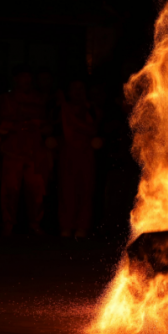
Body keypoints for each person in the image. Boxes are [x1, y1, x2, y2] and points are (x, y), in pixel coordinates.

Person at [0, 65, 51, 236]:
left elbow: (48, 124)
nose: (27, 81)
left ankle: (35, 223)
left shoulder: (40, 100)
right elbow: (0, 124)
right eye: (23, 77)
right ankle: (8, 224)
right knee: (10, 190)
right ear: (16, 79)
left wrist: (41, 127)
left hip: (34, 152)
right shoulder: (4, 100)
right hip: (12, 151)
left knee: (36, 191)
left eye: (29, 78)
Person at [57, 80, 98, 238]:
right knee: (67, 190)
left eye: (80, 88)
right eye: (74, 88)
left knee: (86, 190)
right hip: (67, 153)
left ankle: (82, 226)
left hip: (86, 153)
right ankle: (66, 225)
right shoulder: (59, 108)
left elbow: (94, 128)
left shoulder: (90, 108)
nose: (77, 92)